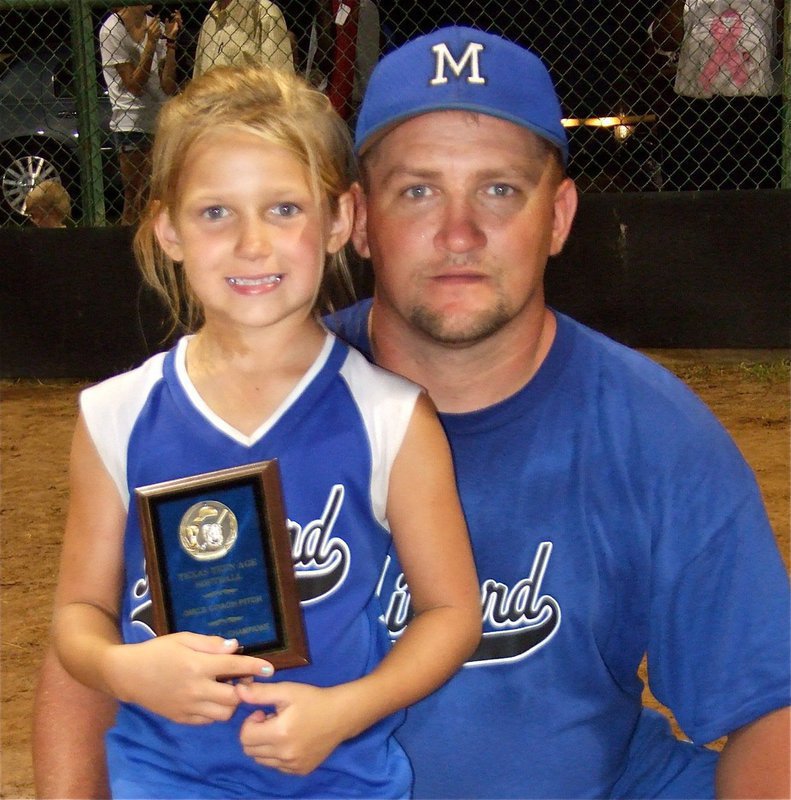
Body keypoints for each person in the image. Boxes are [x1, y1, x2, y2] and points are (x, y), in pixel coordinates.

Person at [32, 25, 790, 800]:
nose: (458, 233)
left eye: (499, 189)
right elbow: (93, 637)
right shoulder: (242, 403)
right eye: (417, 190)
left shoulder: (656, 434)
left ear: (558, 216)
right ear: (355, 219)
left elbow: (769, 711)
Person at [46, 63, 479, 799]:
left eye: (283, 209)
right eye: (216, 212)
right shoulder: (116, 415)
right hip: (163, 780)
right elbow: (79, 613)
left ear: (339, 220)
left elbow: (451, 613)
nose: (252, 244)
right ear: (168, 230)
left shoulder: (390, 416)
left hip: (340, 779)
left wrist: (345, 710)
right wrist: (125, 669)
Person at [99, 4, 181, 226]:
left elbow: (168, 85)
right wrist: (151, 44)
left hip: (161, 121)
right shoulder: (112, 29)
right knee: (136, 199)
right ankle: (126, 254)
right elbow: (134, 84)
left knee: (163, 197)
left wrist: (171, 42)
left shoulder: (155, 24)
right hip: (130, 122)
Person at [192, 0, 294, 78]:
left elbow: (282, 85)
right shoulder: (209, 20)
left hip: (246, 104)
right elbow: (197, 81)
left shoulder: (266, 13)